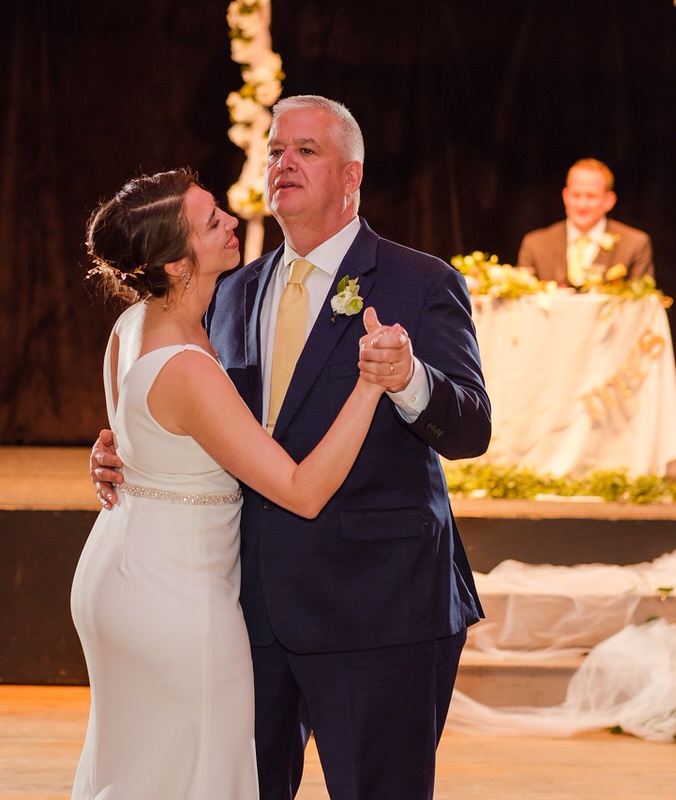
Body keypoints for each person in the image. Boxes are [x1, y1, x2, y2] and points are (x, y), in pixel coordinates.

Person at [91, 95, 491, 799]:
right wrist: (130, 447)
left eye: (306, 150)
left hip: (380, 613)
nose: (283, 163)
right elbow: (200, 416)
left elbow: (472, 428)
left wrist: (410, 380)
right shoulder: (229, 291)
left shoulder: (420, 282)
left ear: (351, 176)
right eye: (275, 150)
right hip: (249, 615)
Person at [70, 167, 401, 799]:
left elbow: (141, 431)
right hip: (176, 596)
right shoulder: (189, 366)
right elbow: (302, 490)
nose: (230, 221)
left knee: (140, 770)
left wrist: (115, 453)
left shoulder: (133, 324)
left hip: (121, 570)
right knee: (196, 774)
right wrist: (369, 383)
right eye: (210, 221)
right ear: (173, 263)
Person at [517, 158, 655, 287]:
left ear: (609, 200)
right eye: (576, 195)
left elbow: (641, 307)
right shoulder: (535, 244)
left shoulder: (634, 244)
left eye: (591, 196)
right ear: (565, 196)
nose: (582, 205)